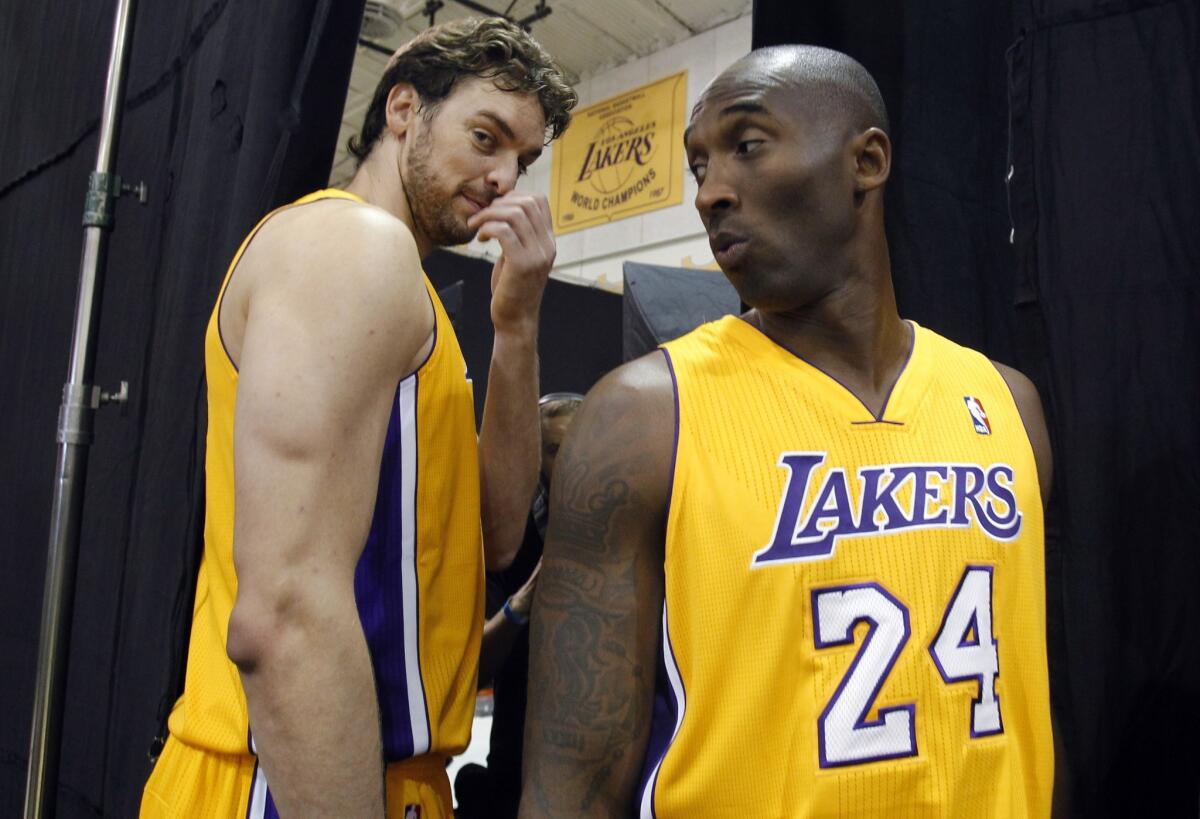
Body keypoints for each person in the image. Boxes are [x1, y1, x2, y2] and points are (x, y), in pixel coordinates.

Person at [521, 45, 1060, 818]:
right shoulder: (641, 416)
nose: (711, 193)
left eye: (746, 146)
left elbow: (1030, 710)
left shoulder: (1008, 404)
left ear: (866, 162)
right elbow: (569, 785)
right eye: (698, 166)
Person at [141, 17, 576, 819]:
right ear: (404, 108)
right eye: (486, 137)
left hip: (378, 776)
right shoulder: (348, 246)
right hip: (285, 778)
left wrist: (517, 327)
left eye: (522, 159)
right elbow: (285, 612)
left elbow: (498, 535)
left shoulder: (408, 290)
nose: (504, 177)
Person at [457, 393, 582, 819]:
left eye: (577, 446)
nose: (567, 462)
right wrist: (522, 604)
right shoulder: (503, 545)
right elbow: (470, 673)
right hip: (517, 768)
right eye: (552, 450)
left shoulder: (635, 529)